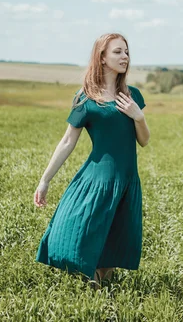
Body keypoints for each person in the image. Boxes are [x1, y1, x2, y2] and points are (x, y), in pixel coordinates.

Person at [33, 33, 150, 289]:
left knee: (118, 234)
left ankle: (99, 282)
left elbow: (144, 140)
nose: (125, 57)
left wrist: (138, 116)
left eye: (127, 52)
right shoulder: (86, 98)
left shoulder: (132, 96)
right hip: (97, 178)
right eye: (118, 52)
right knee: (84, 228)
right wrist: (44, 180)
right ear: (102, 57)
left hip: (127, 178)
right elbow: (67, 141)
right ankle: (90, 280)